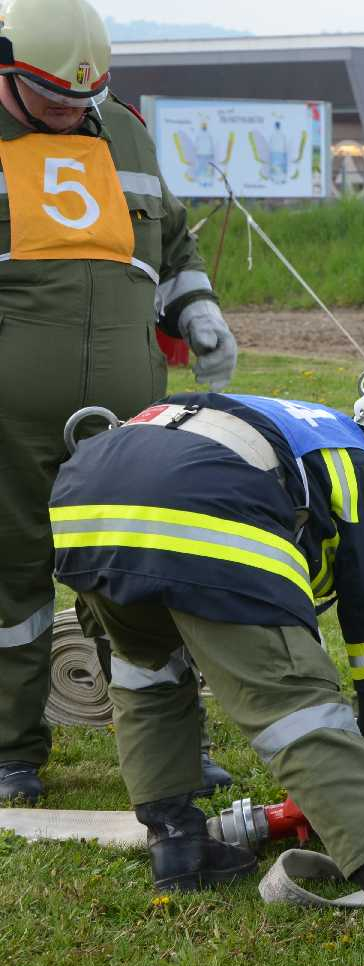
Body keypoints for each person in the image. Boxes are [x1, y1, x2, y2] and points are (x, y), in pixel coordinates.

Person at [51, 392, 364, 966]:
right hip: (198, 499)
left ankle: (178, 844)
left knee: (147, 672)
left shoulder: (317, 442)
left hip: (88, 497)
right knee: (299, 711)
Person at [0, 0, 239, 802]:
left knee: (138, 574)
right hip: (9, 423)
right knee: (11, 582)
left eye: (85, 97)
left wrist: (198, 311)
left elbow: (173, 243)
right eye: (52, 96)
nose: (71, 111)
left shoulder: (125, 132)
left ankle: (171, 749)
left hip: (128, 420)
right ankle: (10, 752)